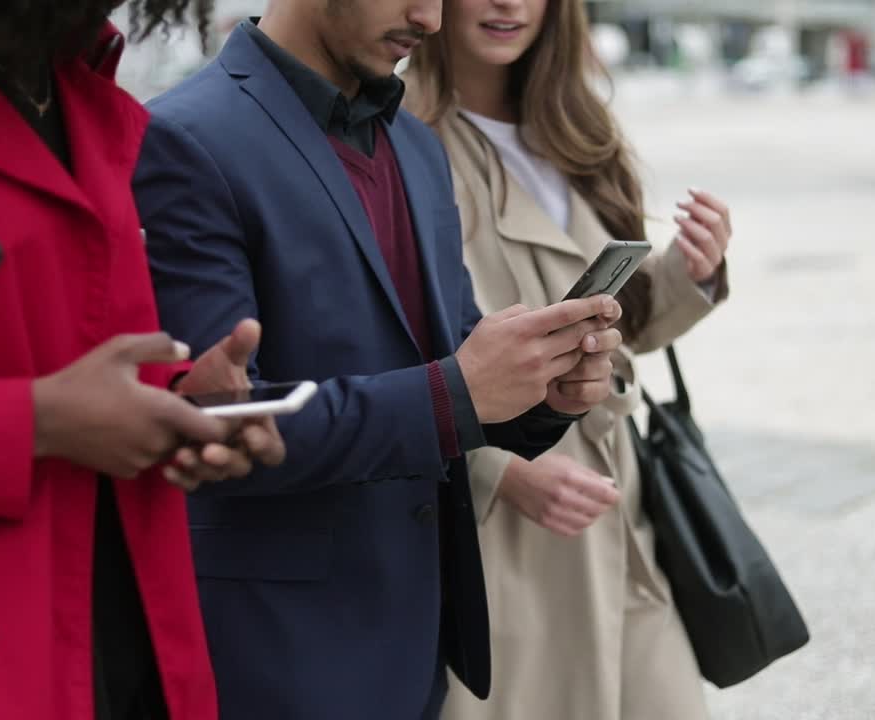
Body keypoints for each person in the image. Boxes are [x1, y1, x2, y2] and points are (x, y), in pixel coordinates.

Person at [130, 1, 624, 718]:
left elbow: (459, 370)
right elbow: (219, 429)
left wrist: (549, 391)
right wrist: (458, 392)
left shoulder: (417, 148)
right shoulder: (184, 137)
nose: (429, 17)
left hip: (420, 650)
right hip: (275, 659)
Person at [0, 2, 286, 719]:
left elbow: (46, 344)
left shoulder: (67, 66)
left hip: (108, 641)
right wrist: (32, 425)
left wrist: (176, 403)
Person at [406, 0, 733, 718]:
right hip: (506, 540)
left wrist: (691, 273)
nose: (507, 5)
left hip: (620, 513)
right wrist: (502, 472)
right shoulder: (406, 139)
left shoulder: (577, 133)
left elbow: (618, 327)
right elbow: (387, 352)